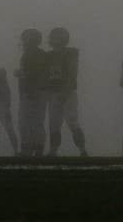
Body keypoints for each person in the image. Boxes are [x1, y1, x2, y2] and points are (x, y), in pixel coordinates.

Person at [42, 26, 87, 156]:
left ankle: (82, 150)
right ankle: (53, 151)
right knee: (54, 124)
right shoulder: (49, 55)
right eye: (53, 36)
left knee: (72, 121)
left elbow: (73, 74)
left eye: (56, 36)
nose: (53, 38)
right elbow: (46, 75)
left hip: (67, 92)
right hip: (54, 92)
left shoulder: (70, 53)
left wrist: (66, 92)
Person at [15, 28, 48, 158]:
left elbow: (39, 74)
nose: (24, 41)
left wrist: (21, 74)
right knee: (32, 122)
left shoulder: (37, 54)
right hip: (29, 92)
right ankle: (34, 149)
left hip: (34, 92)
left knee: (28, 122)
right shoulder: (28, 54)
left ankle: (30, 150)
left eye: (27, 38)